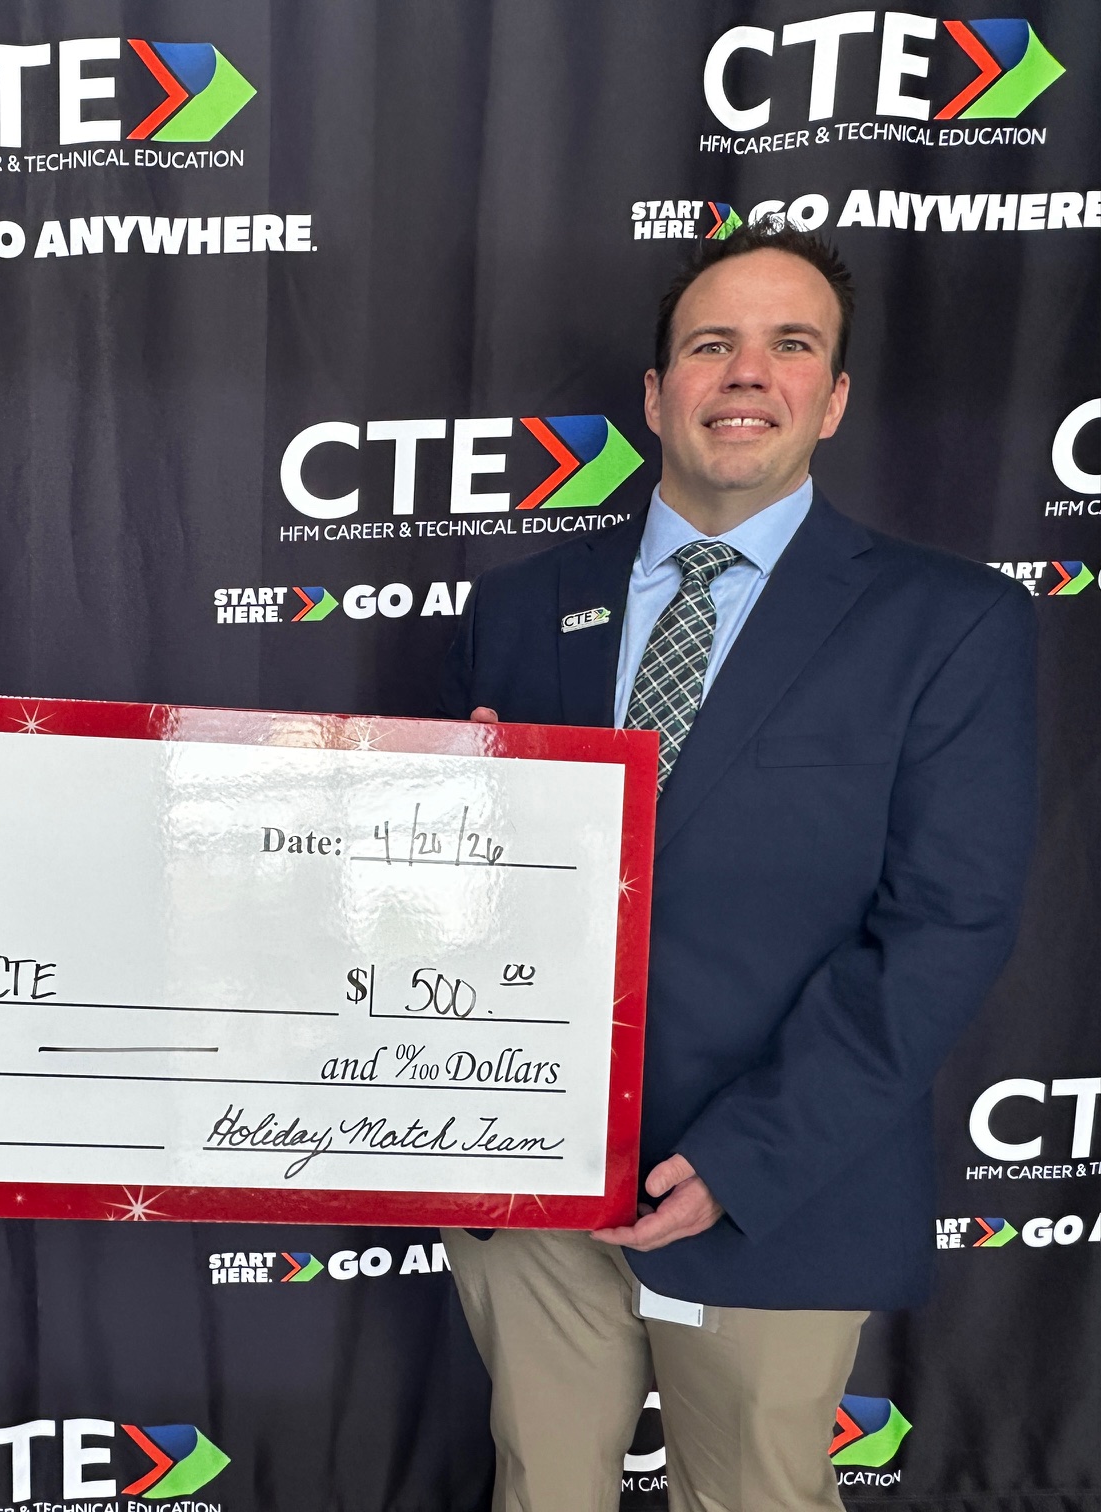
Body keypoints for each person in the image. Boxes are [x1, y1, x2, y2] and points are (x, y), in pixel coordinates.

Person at [435, 227, 1035, 1511]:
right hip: (529, 1177)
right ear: (659, 396)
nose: (748, 372)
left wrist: (749, 1157)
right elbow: (447, 903)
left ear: (835, 398)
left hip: (777, 1186)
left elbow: (947, 924)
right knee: (541, 1491)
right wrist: (429, 828)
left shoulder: (950, 623)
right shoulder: (518, 612)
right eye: (713, 345)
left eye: (790, 345)